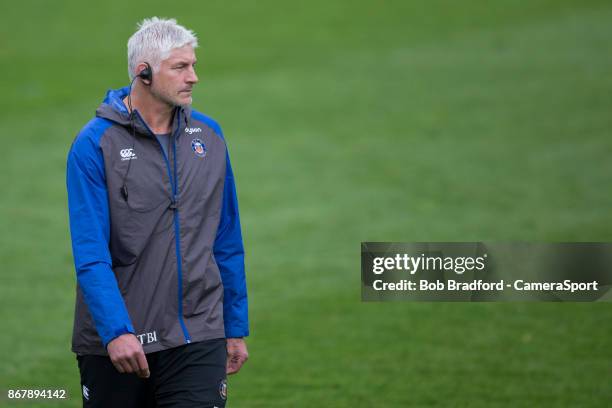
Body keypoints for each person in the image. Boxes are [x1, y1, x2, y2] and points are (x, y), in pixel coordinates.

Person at [66, 17, 249, 407]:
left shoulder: (210, 136)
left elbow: (226, 239)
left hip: (197, 334)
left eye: (193, 65)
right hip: (119, 343)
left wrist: (233, 327)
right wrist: (116, 331)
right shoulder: (94, 145)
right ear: (143, 72)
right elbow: (91, 254)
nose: (194, 77)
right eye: (181, 67)